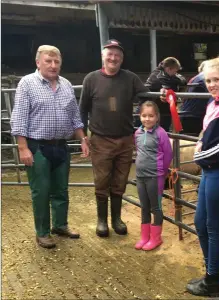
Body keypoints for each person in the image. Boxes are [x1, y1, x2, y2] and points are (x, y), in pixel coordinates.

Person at [10, 45, 90, 249]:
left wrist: (82, 139)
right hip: (38, 147)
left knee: (61, 189)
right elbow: (19, 118)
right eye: (48, 61)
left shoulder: (66, 85)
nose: (53, 65)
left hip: (61, 146)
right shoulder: (27, 84)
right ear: (38, 62)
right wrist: (23, 148)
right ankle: (42, 232)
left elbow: (74, 116)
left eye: (57, 62)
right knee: (42, 190)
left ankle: (60, 225)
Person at [79, 39, 149, 238]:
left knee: (120, 180)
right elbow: (82, 110)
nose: (113, 58)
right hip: (100, 139)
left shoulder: (130, 78)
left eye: (117, 55)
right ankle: (102, 220)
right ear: (103, 56)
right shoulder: (91, 79)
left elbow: (146, 94)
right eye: (110, 54)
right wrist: (83, 137)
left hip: (125, 139)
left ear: (122, 58)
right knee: (101, 180)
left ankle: (116, 219)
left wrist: (159, 94)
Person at [185, 55, 219, 297]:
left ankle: (213, 279)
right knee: (199, 222)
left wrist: (200, 156)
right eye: (208, 80)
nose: (211, 84)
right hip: (209, 170)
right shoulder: (213, 103)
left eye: (216, 79)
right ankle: (210, 273)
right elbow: (206, 133)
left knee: (213, 226)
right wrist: (200, 143)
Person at [134, 101, 173, 251]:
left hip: (155, 177)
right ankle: (145, 236)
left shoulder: (161, 133)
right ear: (140, 116)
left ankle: (156, 238)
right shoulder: (137, 133)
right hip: (140, 176)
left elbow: (168, 154)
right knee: (144, 206)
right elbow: (139, 151)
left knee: (155, 207)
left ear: (157, 117)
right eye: (144, 115)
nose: (147, 119)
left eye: (151, 116)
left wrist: (161, 172)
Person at [141, 57, 187, 132]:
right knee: (155, 132)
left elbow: (183, 80)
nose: (175, 74)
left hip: (162, 110)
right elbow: (168, 85)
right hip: (156, 110)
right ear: (169, 69)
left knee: (163, 131)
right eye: (175, 72)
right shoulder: (158, 76)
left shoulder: (164, 75)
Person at [179, 60, 209, 136]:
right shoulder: (204, 78)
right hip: (193, 115)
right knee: (190, 140)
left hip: (190, 113)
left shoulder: (197, 77)